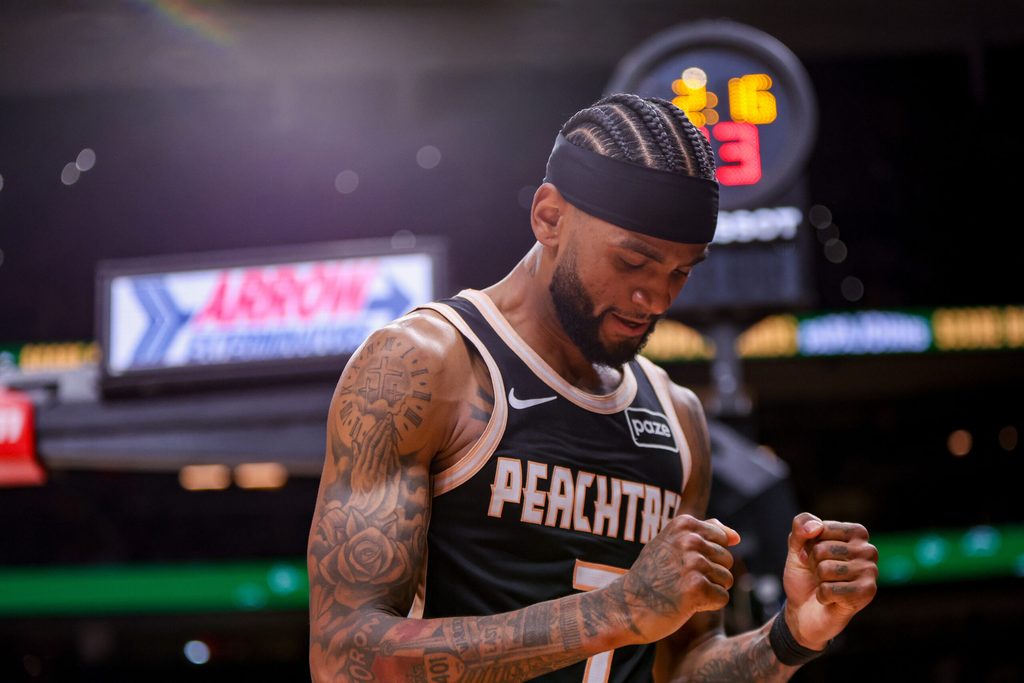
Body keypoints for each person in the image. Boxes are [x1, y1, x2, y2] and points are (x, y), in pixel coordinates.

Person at [307, 93, 878, 682]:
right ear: (549, 217)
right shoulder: (426, 366)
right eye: (633, 262)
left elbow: (680, 667)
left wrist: (794, 634)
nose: (656, 299)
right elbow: (345, 657)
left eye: (680, 271)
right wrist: (620, 610)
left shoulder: (678, 418)